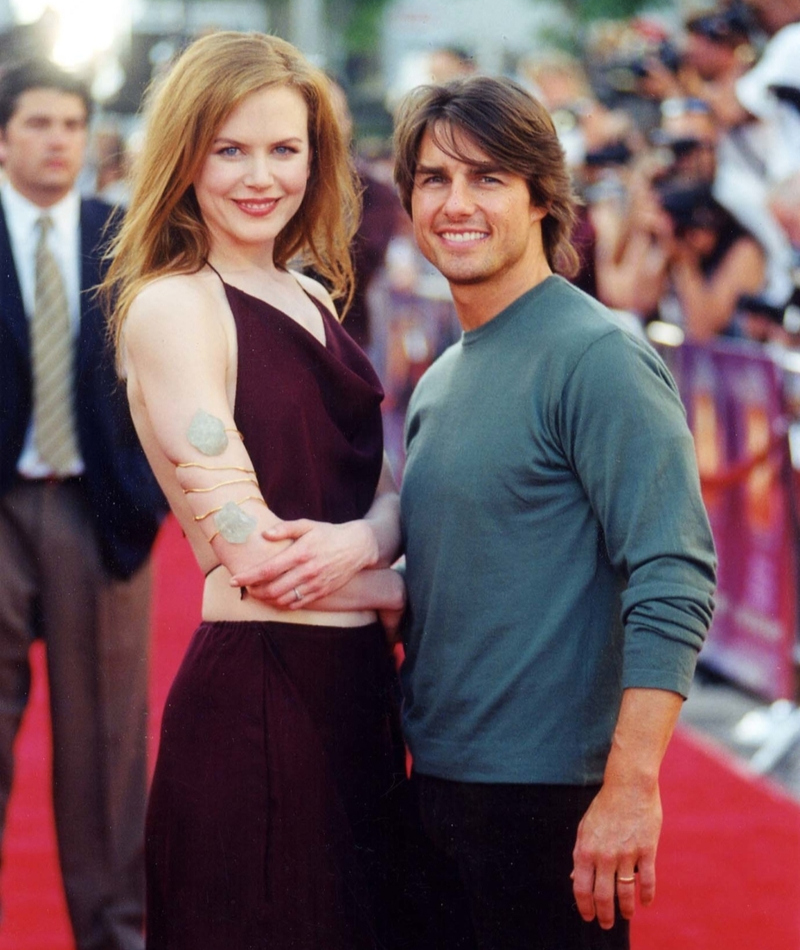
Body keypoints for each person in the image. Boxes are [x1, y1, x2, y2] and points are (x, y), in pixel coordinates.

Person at [102, 31, 423, 950]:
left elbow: (385, 491)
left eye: (285, 149)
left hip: (358, 696)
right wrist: (406, 581)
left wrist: (370, 543)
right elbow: (255, 555)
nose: (260, 177)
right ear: (185, 155)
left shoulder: (310, 292)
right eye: (230, 149)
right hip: (258, 704)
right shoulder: (174, 303)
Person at [392, 75, 717, 950]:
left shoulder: (598, 355)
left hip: (551, 809)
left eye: (487, 177)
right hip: (436, 793)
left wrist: (631, 787)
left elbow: (674, 572)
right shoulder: (443, 381)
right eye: (433, 179)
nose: (457, 203)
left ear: (542, 196)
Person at [0, 59, 167, 950]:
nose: (58, 138)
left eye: (71, 122)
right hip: (1, 508)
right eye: (38, 122)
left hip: (99, 514)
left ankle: (115, 936)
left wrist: (148, 503)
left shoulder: (125, 238)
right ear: (3, 134)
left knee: (107, 752)